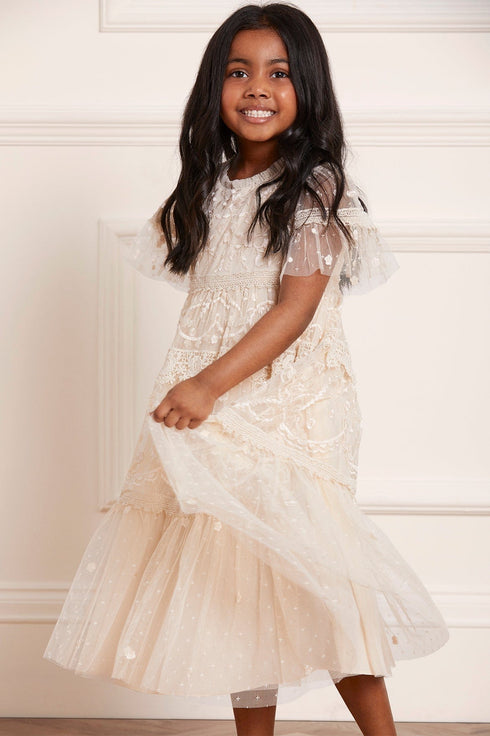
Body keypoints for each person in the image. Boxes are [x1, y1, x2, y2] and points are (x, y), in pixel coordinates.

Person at [43, 4, 449, 735]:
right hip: (217, 412)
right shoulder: (205, 188)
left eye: (279, 72)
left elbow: (295, 309)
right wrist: (201, 389)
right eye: (239, 71)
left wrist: (207, 384)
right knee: (237, 588)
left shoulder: (315, 188)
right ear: (215, 86)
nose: (257, 87)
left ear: (308, 88)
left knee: (325, 583)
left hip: (292, 409)